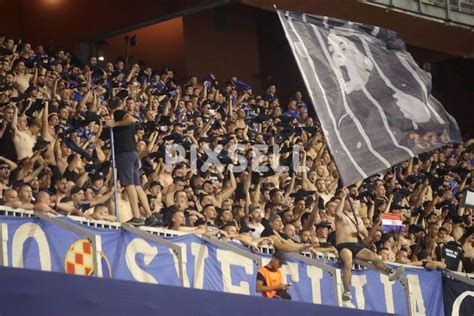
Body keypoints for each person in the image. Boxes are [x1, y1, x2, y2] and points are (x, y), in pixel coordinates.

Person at [335, 188, 404, 301]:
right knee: (348, 262)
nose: (352, 204)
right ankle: (347, 291)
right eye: (350, 202)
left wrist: (378, 222)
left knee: (375, 257)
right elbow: (337, 213)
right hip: (344, 245)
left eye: (353, 203)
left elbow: (369, 236)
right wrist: (343, 197)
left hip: (356, 245)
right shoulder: (341, 216)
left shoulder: (358, 220)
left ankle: (390, 272)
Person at [105, 97, 156, 226]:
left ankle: (137, 216)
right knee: (137, 186)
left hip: (125, 153)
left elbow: (131, 119)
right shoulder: (121, 118)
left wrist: (114, 124)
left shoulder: (118, 114)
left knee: (129, 185)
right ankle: (149, 216)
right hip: (132, 153)